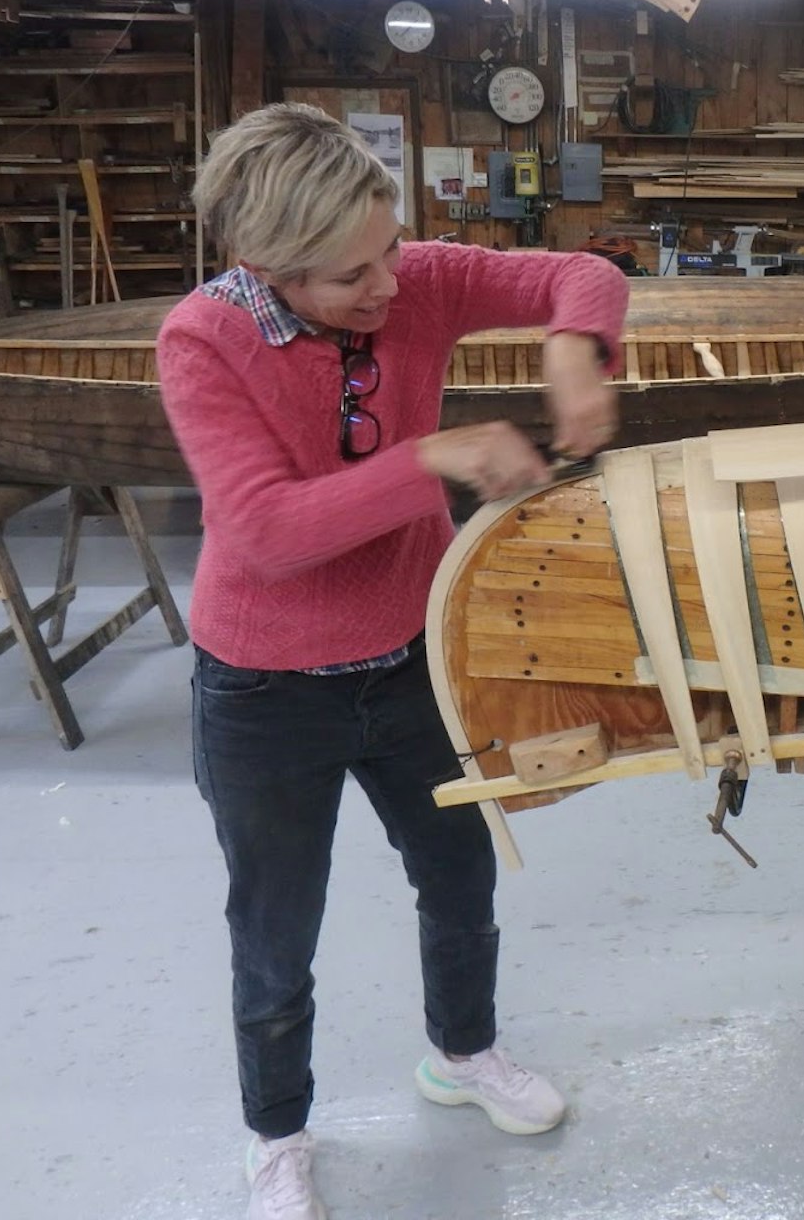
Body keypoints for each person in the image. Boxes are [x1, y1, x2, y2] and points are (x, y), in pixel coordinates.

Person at [156, 103, 629, 1220]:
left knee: (459, 874)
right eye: (344, 276)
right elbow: (267, 533)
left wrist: (572, 343)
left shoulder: (410, 275)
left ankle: (463, 1054)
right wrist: (435, 457)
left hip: (413, 656)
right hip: (263, 689)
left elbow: (586, 270)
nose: (384, 288)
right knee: (276, 932)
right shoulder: (202, 339)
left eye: (386, 251)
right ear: (260, 265)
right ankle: (278, 1136)